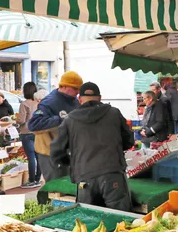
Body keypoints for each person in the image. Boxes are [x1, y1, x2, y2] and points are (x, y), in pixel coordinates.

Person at [50, 82, 134, 211]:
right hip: (112, 174)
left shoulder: (69, 120)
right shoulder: (114, 113)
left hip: (84, 176)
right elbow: (129, 141)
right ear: (100, 98)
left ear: (79, 99)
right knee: (121, 221)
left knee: (89, 222)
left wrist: (71, 162)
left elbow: (56, 151)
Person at [28, 71, 81, 182]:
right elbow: (33, 125)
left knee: (70, 189)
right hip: (51, 155)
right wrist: (60, 119)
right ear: (65, 86)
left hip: (69, 153)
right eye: (76, 89)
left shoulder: (74, 101)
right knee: (56, 189)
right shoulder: (48, 103)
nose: (78, 92)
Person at [16, 81, 42, 188]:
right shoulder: (39, 103)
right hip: (38, 132)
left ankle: (31, 181)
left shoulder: (24, 104)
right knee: (38, 156)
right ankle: (37, 179)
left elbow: (22, 120)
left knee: (31, 157)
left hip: (27, 133)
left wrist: (16, 120)